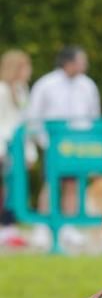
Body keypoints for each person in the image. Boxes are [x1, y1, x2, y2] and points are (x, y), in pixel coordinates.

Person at [28, 45, 101, 248]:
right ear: (69, 62)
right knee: (51, 183)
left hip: (79, 144)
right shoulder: (46, 84)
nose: (84, 65)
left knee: (74, 185)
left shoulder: (87, 85)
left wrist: (90, 141)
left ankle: (68, 227)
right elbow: (35, 114)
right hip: (54, 144)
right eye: (81, 60)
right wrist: (43, 142)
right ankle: (43, 227)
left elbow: (94, 114)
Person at [0, 49, 36, 247]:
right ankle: (5, 227)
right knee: (7, 187)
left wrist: (30, 152)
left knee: (15, 188)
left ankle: (10, 227)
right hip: (5, 147)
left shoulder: (22, 90)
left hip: (18, 148)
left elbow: (25, 123)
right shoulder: (2, 90)